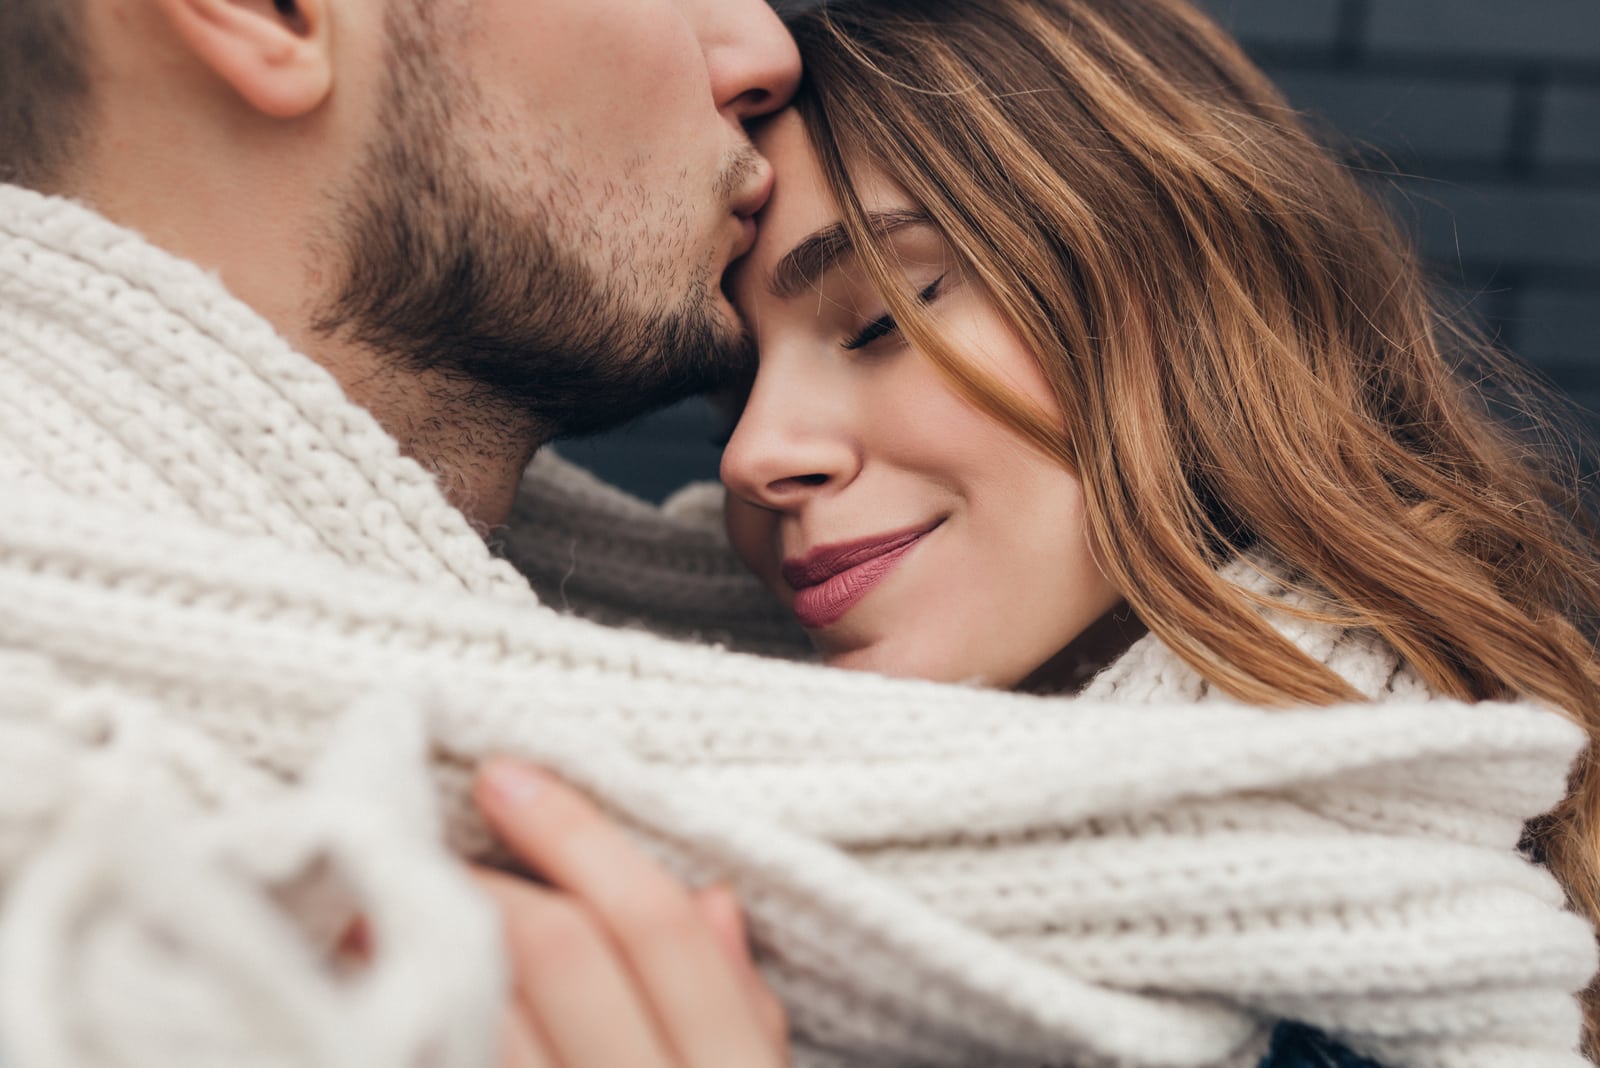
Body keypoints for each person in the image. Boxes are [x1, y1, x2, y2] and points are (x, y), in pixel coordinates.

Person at [0, 3, 1592, 1068]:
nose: (761, 456)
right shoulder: (94, 860)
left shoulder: (1426, 849)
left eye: (887, 316)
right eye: (745, 380)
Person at [719, 0, 1600, 1058]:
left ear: (1170, 297)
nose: (752, 453)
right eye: (723, 392)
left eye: (879, 320)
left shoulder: (1369, 984)